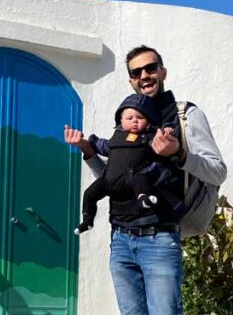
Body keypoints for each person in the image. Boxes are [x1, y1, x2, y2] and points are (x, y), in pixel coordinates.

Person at [64, 45, 227, 315]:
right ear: (131, 79)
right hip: (122, 239)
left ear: (163, 70)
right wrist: (88, 152)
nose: (145, 76)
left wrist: (179, 153)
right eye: (136, 72)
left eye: (151, 68)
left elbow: (217, 170)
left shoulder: (186, 116)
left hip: (159, 237)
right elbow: (115, 179)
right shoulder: (129, 117)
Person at [75, 93, 183, 235]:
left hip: (133, 178)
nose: (135, 121)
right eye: (129, 118)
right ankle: (87, 221)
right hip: (109, 180)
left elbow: (160, 145)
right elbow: (106, 147)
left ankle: (144, 200)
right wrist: (92, 142)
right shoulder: (117, 137)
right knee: (89, 194)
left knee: (141, 180)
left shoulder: (149, 137)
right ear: (121, 120)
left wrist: (167, 131)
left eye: (140, 118)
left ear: (148, 120)